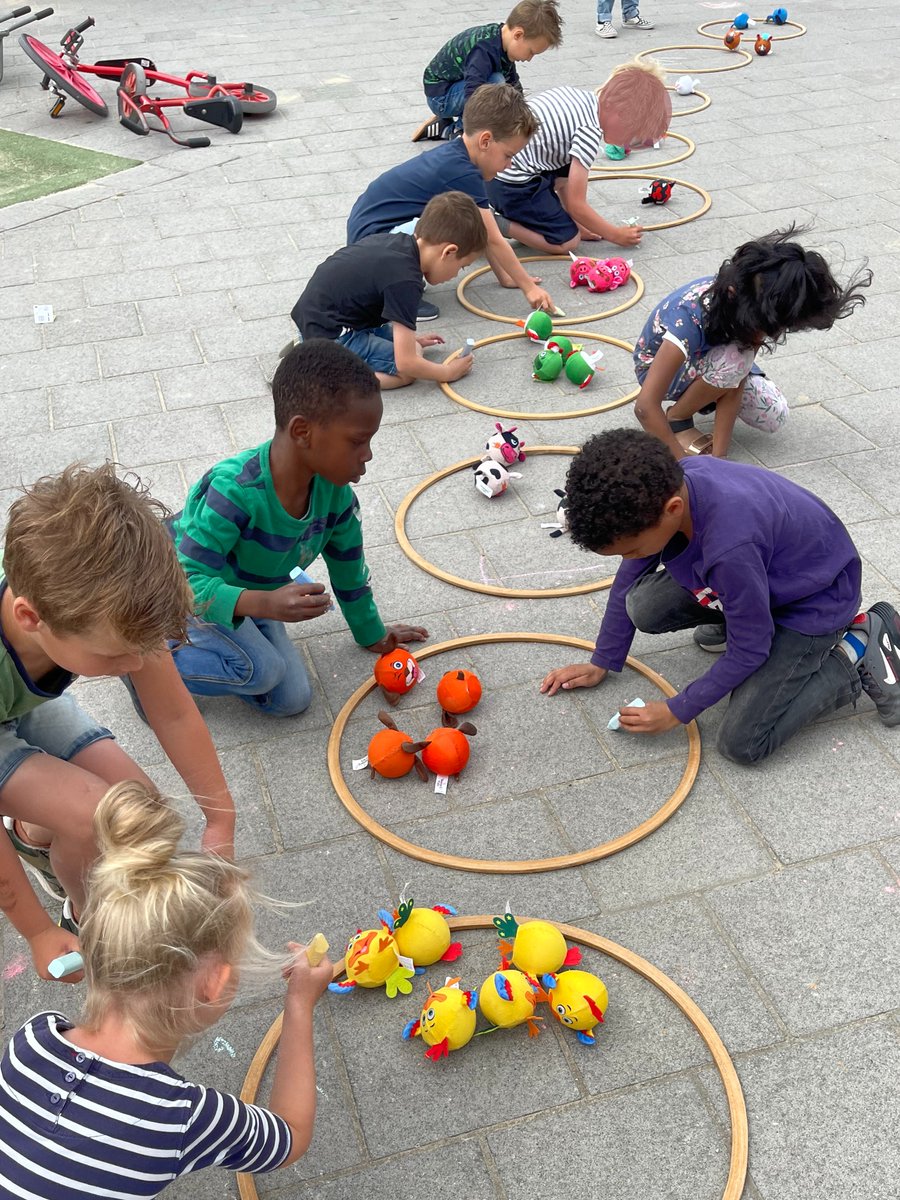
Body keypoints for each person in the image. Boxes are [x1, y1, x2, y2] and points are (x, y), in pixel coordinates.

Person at [0, 780, 334, 1197]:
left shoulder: (31, 1040)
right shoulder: (178, 1118)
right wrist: (300, 1002)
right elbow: (291, 1136)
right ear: (214, 984)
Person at [0, 464, 235, 980]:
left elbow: (172, 711)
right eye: (113, 657)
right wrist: (38, 933)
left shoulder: (112, 604)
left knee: (138, 804)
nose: (134, 667)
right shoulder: (64, 609)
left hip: (22, 701)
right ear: (30, 619)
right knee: (91, 816)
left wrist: (219, 819)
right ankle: (87, 914)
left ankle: (34, 832)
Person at [540, 429, 900, 765]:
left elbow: (751, 648)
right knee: (643, 606)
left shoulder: (730, 548)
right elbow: (628, 579)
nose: (630, 559)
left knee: (742, 743)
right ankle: (739, 615)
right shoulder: (662, 489)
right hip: (761, 578)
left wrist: (676, 710)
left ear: (672, 511)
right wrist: (603, 659)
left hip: (814, 603)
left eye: (632, 549)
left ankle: (856, 647)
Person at [169, 339, 427, 715]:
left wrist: (371, 633)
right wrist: (264, 603)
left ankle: (237, 629)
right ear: (302, 432)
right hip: (187, 589)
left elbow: (349, 569)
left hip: (253, 597)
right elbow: (187, 581)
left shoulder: (335, 493)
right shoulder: (234, 492)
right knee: (263, 671)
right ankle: (149, 661)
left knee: (291, 701)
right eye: (358, 441)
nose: (368, 454)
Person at [631, 226, 872, 458]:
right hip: (662, 366)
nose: (766, 336)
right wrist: (687, 472)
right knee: (735, 360)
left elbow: (739, 377)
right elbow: (645, 407)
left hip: (717, 356)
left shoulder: (755, 305)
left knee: (773, 415)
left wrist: (719, 457)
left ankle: (706, 391)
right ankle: (678, 418)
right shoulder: (689, 318)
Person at [347, 83, 555, 320]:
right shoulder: (463, 173)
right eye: (508, 156)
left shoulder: (461, 158)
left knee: (465, 221)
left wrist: (505, 276)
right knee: (455, 225)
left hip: (372, 237)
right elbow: (493, 238)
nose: (509, 165)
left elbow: (483, 231)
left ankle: (394, 282)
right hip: (375, 243)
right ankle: (395, 297)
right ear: (485, 141)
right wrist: (529, 287)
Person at [291, 192, 487, 389]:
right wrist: (447, 372)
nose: (456, 274)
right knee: (407, 374)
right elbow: (406, 363)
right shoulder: (406, 280)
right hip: (331, 338)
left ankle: (311, 352)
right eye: (462, 266)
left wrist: (412, 341)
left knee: (414, 348)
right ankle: (325, 378)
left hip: (316, 318)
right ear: (449, 252)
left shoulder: (399, 244)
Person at [485, 61, 670, 254]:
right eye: (631, 130)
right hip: (510, 184)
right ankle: (494, 225)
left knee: (566, 174)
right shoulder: (589, 131)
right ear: (620, 113)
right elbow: (576, 204)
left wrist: (578, 222)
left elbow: (566, 179)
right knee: (568, 242)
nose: (627, 139)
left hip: (497, 171)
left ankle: (528, 222)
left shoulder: (582, 100)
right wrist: (615, 235)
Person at [414, 0, 564, 141]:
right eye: (531, 52)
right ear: (518, 35)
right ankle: (459, 130)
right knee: (496, 84)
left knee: (502, 89)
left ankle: (443, 126)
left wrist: (524, 120)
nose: (529, 59)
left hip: (454, 89)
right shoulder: (484, 49)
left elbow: (513, 86)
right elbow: (472, 93)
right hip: (440, 98)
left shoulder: (502, 42)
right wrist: (471, 133)